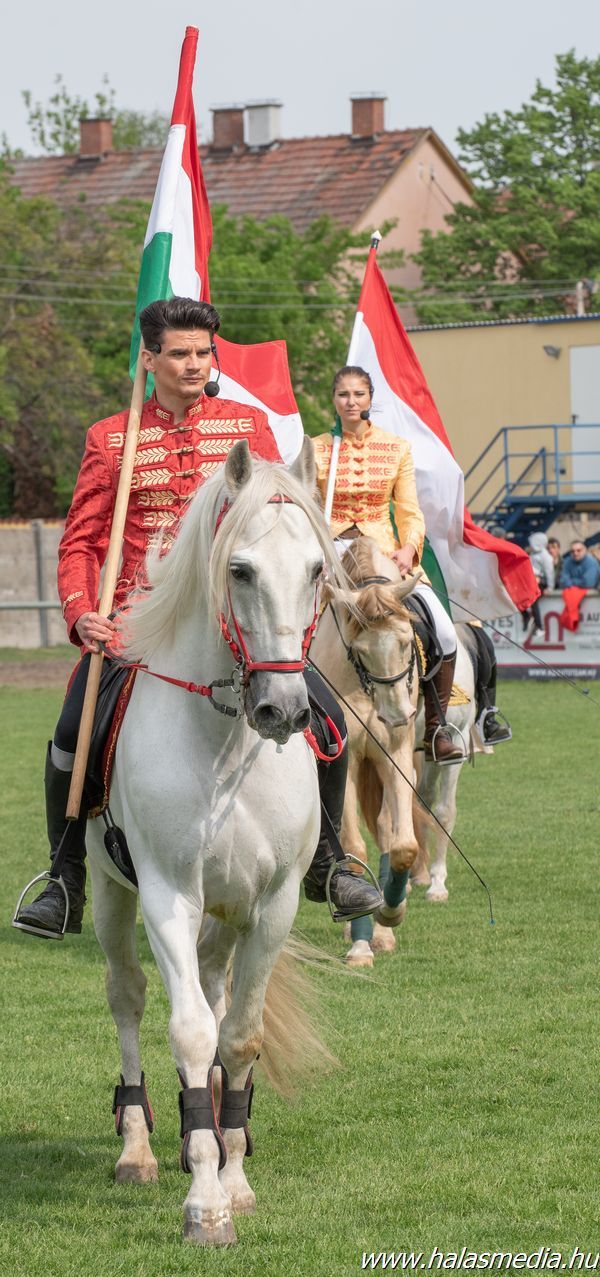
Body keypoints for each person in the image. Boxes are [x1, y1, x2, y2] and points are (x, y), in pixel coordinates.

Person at [15, 299, 380, 938]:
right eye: (179, 353)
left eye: (203, 353)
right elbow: (81, 543)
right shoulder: (112, 438)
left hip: (235, 619)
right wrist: (82, 613)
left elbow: (277, 517)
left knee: (327, 719)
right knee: (73, 730)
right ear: (149, 359)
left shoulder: (247, 426)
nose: (193, 364)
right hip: (137, 623)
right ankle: (65, 876)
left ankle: (329, 860)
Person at [312, 366, 511, 758]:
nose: (351, 402)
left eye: (358, 394)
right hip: (330, 554)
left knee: (446, 631)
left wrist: (408, 549)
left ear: (370, 399)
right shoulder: (316, 448)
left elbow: (409, 511)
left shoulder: (396, 448)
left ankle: (437, 728)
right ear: (333, 399)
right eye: (343, 395)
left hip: (386, 555)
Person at [520, 532, 554, 637]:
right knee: (518, 596)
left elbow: (549, 572)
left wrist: (550, 587)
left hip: (540, 582)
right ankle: (526, 615)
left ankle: (540, 626)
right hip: (530, 581)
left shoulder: (546, 557)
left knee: (533, 601)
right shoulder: (533, 554)